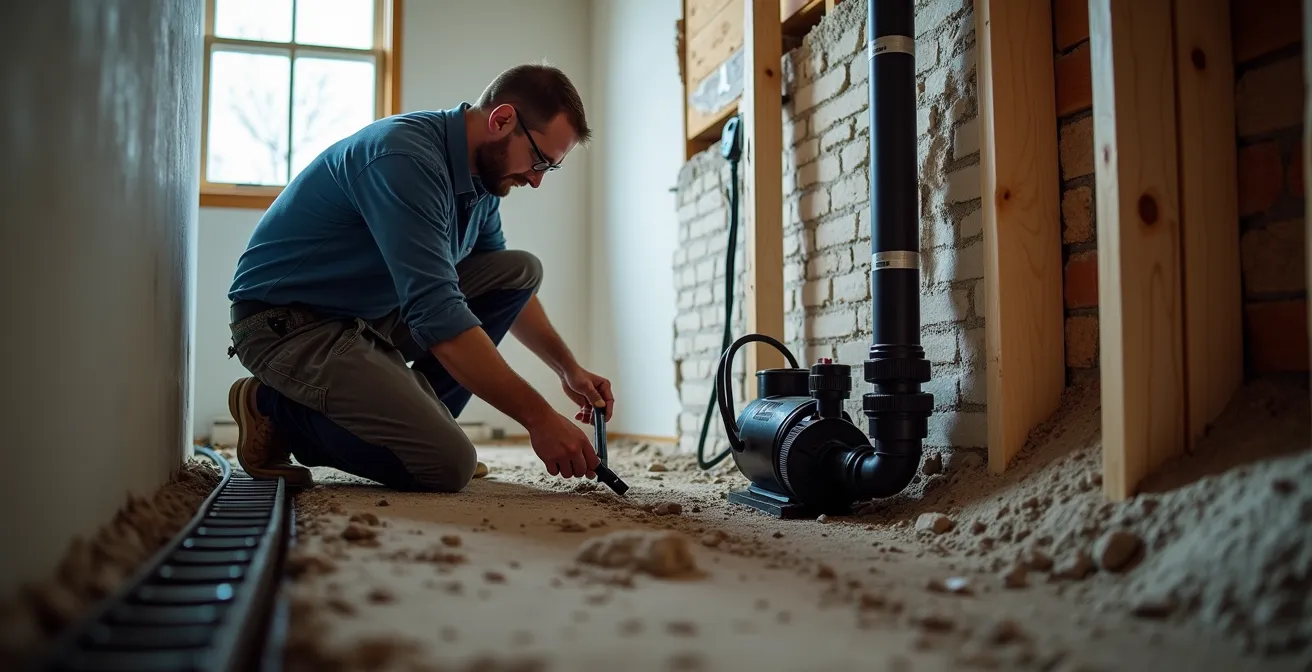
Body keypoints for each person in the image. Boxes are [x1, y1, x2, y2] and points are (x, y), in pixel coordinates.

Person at [223, 63, 611, 493]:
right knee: (447, 465)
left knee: (521, 271)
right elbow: (438, 313)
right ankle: (272, 407)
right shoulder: (404, 158)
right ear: (501, 120)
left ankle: (424, 433)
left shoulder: (482, 181)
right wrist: (538, 418)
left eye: (549, 169)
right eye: (539, 161)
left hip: (371, 315)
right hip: (290, 325)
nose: (536, 180)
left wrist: (567, 369)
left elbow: (501, 285)